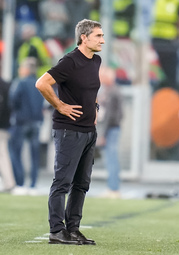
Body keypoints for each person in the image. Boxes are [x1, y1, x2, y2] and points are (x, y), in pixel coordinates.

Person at [36, 19, 104, 245]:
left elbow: (92, 89)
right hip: (68, 130)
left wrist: (94, 107)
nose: (103, 40)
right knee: (62, 182)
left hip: (88, 131)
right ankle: (57, 230)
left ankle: (73, 229)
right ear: (84, 38)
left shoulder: (96, 61)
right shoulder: (69, 61)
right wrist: (60, 105)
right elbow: (42, 83)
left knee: (82, 184)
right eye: (98, 36)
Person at [8, 57, 44, 196]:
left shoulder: (20, 83)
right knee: (35, 155)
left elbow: (13, 99)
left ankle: (20, 183)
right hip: (36, 122)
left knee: (15, 151)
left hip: (21, 121)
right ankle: (33, 185)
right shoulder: (39, 83)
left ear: (26, 69)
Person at [97, 66, 123, 199]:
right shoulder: (108, 91)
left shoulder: (112, 92)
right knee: (110, 158)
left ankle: (114, 188)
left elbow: (110, 115)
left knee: (111, 158)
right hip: (111, 128)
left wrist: (103, 134)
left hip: (111, 129)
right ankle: (112, 187)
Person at [150, 0, 179, 87]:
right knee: (157, 68)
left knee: (170, 70)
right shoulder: (158, 2)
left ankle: (171, 89)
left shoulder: (177, 3)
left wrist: (177, 38)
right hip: (157, 39)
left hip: (169, 41)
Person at [0, 77, 16, 192]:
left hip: (2, 126)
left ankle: (9, 183)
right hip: (5, 125)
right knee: (3, 155)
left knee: (2, 155)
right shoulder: (7, 85)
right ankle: (9, 182)